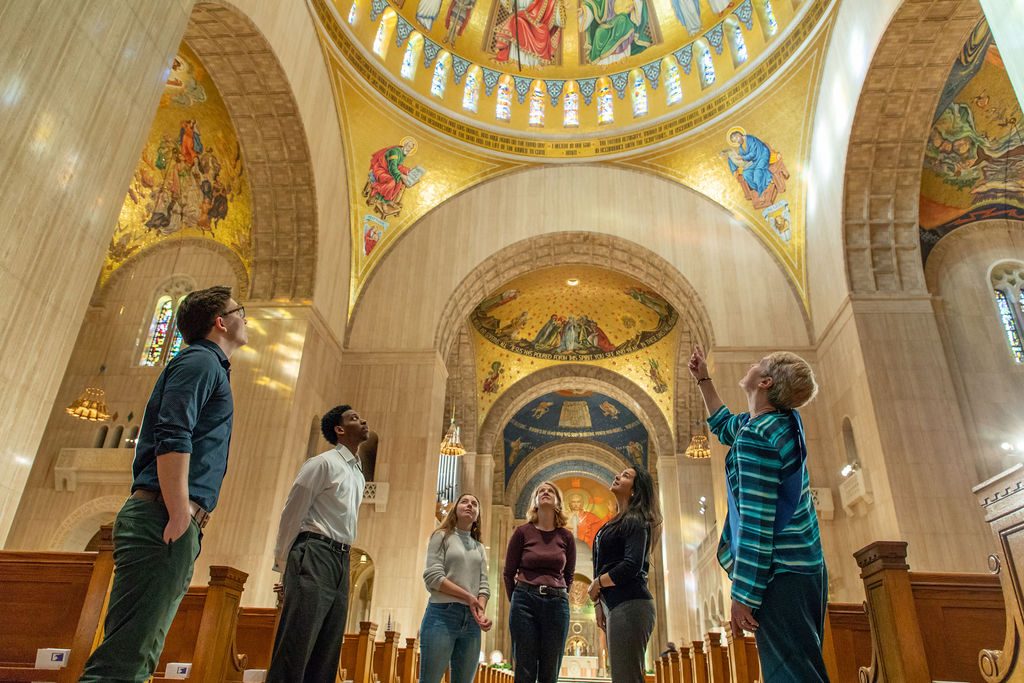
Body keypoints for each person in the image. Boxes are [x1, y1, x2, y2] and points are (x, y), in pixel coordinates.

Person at [80, 286, 248, 682]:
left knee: (138, 653)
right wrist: (177, 511)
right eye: (240, 311)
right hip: (162, 515)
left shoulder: (207, 365)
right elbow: (174, 431)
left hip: (167, 517)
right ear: (220, 322)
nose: (246, 318)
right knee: (124, 660)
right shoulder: (201, 362)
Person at [688, 344, 829, 682]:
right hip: (806, 568)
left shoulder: (757, 438)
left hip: (780, 574)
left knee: (790, 675)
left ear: (765, 382)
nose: (752, 364)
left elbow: (756, 523)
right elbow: (726, 427)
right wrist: (703, 379)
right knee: (803, 667)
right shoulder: (781, 424)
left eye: (759, 364)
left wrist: (744, 595)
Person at [266, 405, 369, 683]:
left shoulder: (358, 475)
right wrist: (285, 565)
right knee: (297, 645)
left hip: (341, 560)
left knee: (327, 649)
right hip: (314, 551)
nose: (363, 421)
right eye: (354, 418)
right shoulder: (322, 464)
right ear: (340, 429)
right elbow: (292, 513)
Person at [588, 466, 662, 683]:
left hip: (631, 604)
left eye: (626, 476)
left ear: (635, 491)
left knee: (626, 678)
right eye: (620, 473)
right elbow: (603, 564)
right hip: (616, 606)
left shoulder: (637, 519)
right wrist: (598, 605)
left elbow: (631, 565)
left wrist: (597, 583)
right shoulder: (615, 521)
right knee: (622, 677)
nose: (617, 476)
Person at [503, 481, 576, 683]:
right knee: (524, 669)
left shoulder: (566, 536)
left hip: (557, 603)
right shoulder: (522, 532)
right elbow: (508, 573)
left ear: (558, 502)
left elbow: (569, 574)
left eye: (550, 490)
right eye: (541, 491)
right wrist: (517, 599)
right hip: (524, 601)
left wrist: (558, 592)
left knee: (549, 670)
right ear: (535, 501)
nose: (545, 492)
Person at [419, 493, 493, 683]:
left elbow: (484, 585)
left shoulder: (479, 547)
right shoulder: (441, 536)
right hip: (442, 615)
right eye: (465, 502)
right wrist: (469, 597)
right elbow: (433, 577)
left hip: (471, 622)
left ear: (477, 515)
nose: (470, 505)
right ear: (455, 509)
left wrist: (480, 611)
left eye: (474, 504)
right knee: (430, 680)